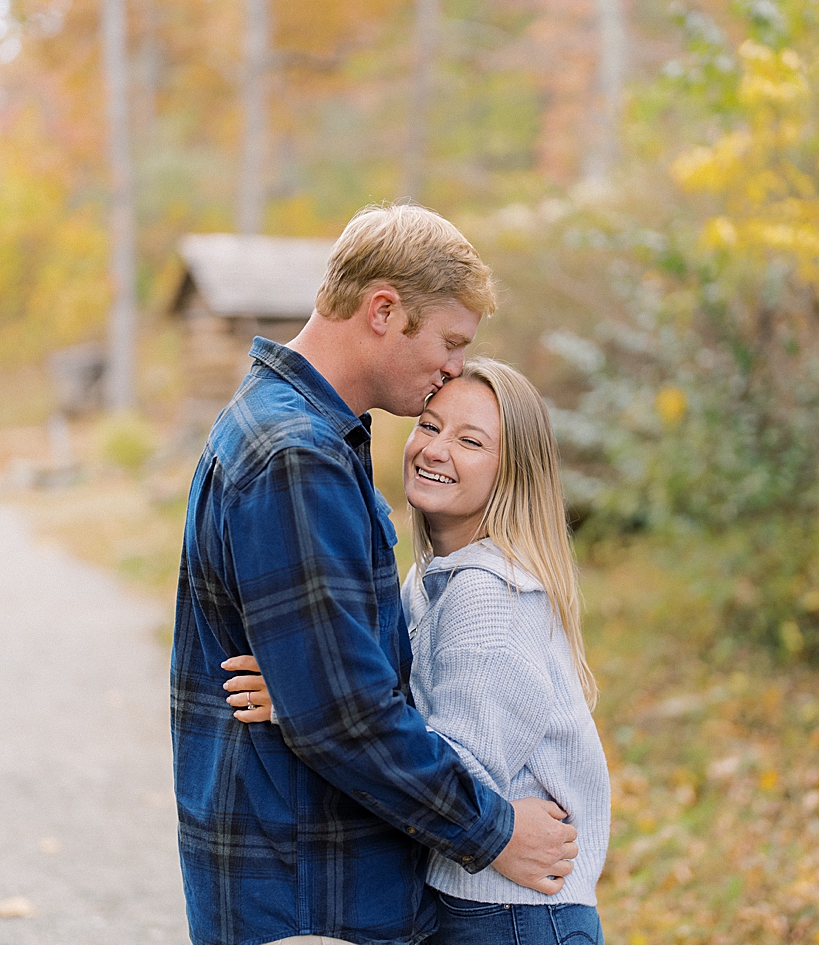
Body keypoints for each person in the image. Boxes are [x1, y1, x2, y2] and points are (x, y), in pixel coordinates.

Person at [170, 203, 579, 946]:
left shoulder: (295, 429)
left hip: (302, 876)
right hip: (308, 894)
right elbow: (348, 717)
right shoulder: (296, 454)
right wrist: (493, 831)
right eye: (451, 341)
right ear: (384, 310)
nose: (453, 366)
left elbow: (336, 689)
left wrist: (301, 692)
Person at [223, 357, 611, 945]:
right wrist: (305, 692)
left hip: (516, 916)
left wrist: (316, 704)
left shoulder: (490, 596)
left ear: (513, 473)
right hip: (471, 900)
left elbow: (457, 772)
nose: (434, 449)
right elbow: (381, 692)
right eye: (429, 426)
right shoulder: (432, 580)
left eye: (470, 441)